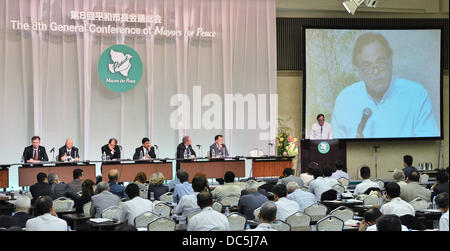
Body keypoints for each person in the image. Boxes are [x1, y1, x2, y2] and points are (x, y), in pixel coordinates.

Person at [332, 33, 438, 139]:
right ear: (358, 70)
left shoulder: (417, 96)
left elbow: (428, 147)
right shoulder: (345, 100)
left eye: (381, 62)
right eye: (367, 66)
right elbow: (335, 147)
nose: (376, 71)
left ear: (391, 61)